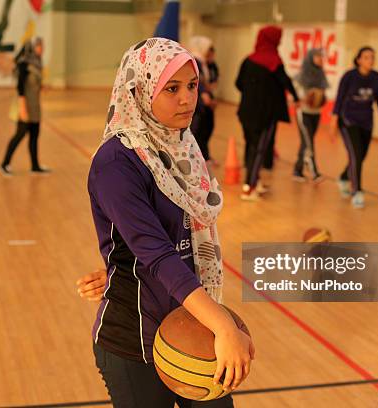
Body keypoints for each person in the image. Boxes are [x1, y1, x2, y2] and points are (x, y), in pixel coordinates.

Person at [78, 38, 255, 407]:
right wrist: (223, 324)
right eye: (171, 88)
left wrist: (117, 264)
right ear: (140, 90)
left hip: (192, 326)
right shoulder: (116, 162)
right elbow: (157, 254)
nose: (187, 99)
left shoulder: (181, 145)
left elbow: (177, 237)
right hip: (134, 342)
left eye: (192, 86)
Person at [235, 25, 299, 201]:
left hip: (246, 112)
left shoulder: (248, 60)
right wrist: (296, 98)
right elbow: (286, 82)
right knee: (259, 149)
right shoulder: (274, 62)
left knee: (251, 146)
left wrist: (252, 93)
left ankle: (254, 180)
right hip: (266, 115)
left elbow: (238, 83)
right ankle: (249, 188)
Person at [331, 46, 378, 209]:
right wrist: (333, 122)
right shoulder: (349, 76)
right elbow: (338, 99)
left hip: (366, 121)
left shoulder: (377, 77)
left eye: (372, 57)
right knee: (356, 154)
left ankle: (344, 177)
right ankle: (357, 191)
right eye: (366, 57)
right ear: (358, 60)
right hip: (348, 120)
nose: (370, 60)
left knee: (360, 156)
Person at [0, 37, 50, 175]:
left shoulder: (37, 63)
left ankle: (35, 166)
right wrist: (22, 108)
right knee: (20, 134)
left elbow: (33, 83)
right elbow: (20, 87)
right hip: (24, 105)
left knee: (34, 134)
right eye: (39, 46)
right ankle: (5, 163)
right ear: (32, 47)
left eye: (42, 46)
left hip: (34, 106)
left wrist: (42, 87)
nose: (41, 49)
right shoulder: (24, 64)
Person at [293, 48, 329, 183]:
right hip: (303, 113)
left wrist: (320, 98)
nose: (320, 59)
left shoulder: (321, 75)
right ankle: (314, 173)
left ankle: (297, 170)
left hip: (316, 113)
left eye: (321, 56)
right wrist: (304, 98)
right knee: (308, 143)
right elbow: (293, 93)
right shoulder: (302, 75)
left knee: (306, 142)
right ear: (310, 58)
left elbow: (325, 93)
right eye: (317, 56)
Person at [188, 36, 217, 164]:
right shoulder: (195, 61)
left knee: (206, 128)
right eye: (209, 50)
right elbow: (197, 80)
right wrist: (204, 94)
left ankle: (204, 156)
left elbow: (210, 80)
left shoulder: (206, 63)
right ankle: (195, 158)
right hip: (198, 102)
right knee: (197, 130)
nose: (211, 53)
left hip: (205, 102)